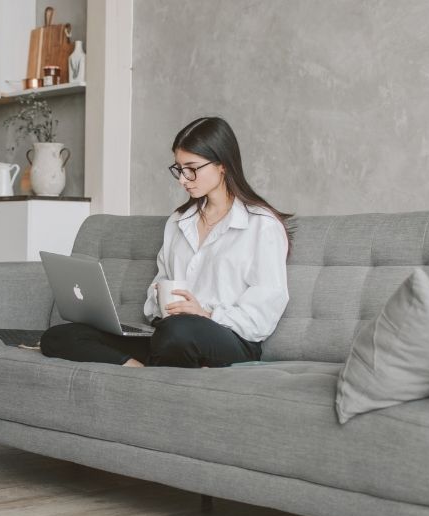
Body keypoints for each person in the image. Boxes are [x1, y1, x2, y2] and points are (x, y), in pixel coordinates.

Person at [40, 116, 292, 368]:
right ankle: (137, 369)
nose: (183, 179)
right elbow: (159, 288)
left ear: (222, 165)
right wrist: (158, 296)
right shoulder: (179, 221)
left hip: (230, 337)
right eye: (179, 168)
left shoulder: (261, 225)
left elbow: (265, 309)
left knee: (177, 333)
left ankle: (159, 361)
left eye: (192, 168)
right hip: (169, 333)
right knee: (59, 336)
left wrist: (206, 314)